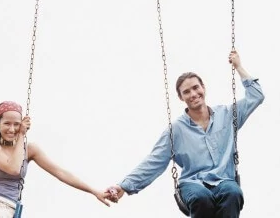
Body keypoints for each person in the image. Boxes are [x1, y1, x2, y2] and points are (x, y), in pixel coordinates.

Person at [106, 51, 265, 218]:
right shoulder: (176, 130)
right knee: (201, 198)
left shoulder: (227, 115)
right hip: (193, 184)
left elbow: (256, 96)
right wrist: (123, 187)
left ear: (203, 87)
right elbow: (153, 162)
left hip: (224, 180)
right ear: (181, 97)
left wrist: (239, 67)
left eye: (196, 87)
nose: (193, 94)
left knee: (232, 192)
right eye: (186, 92)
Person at [0, 101, 112, 218]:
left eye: (17, 124)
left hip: (5, 204)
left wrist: (94, 191)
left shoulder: (30, 149)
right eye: (7, 123)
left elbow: (60, 172)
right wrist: (22, 134)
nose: (12, 129)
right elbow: (12, 168)